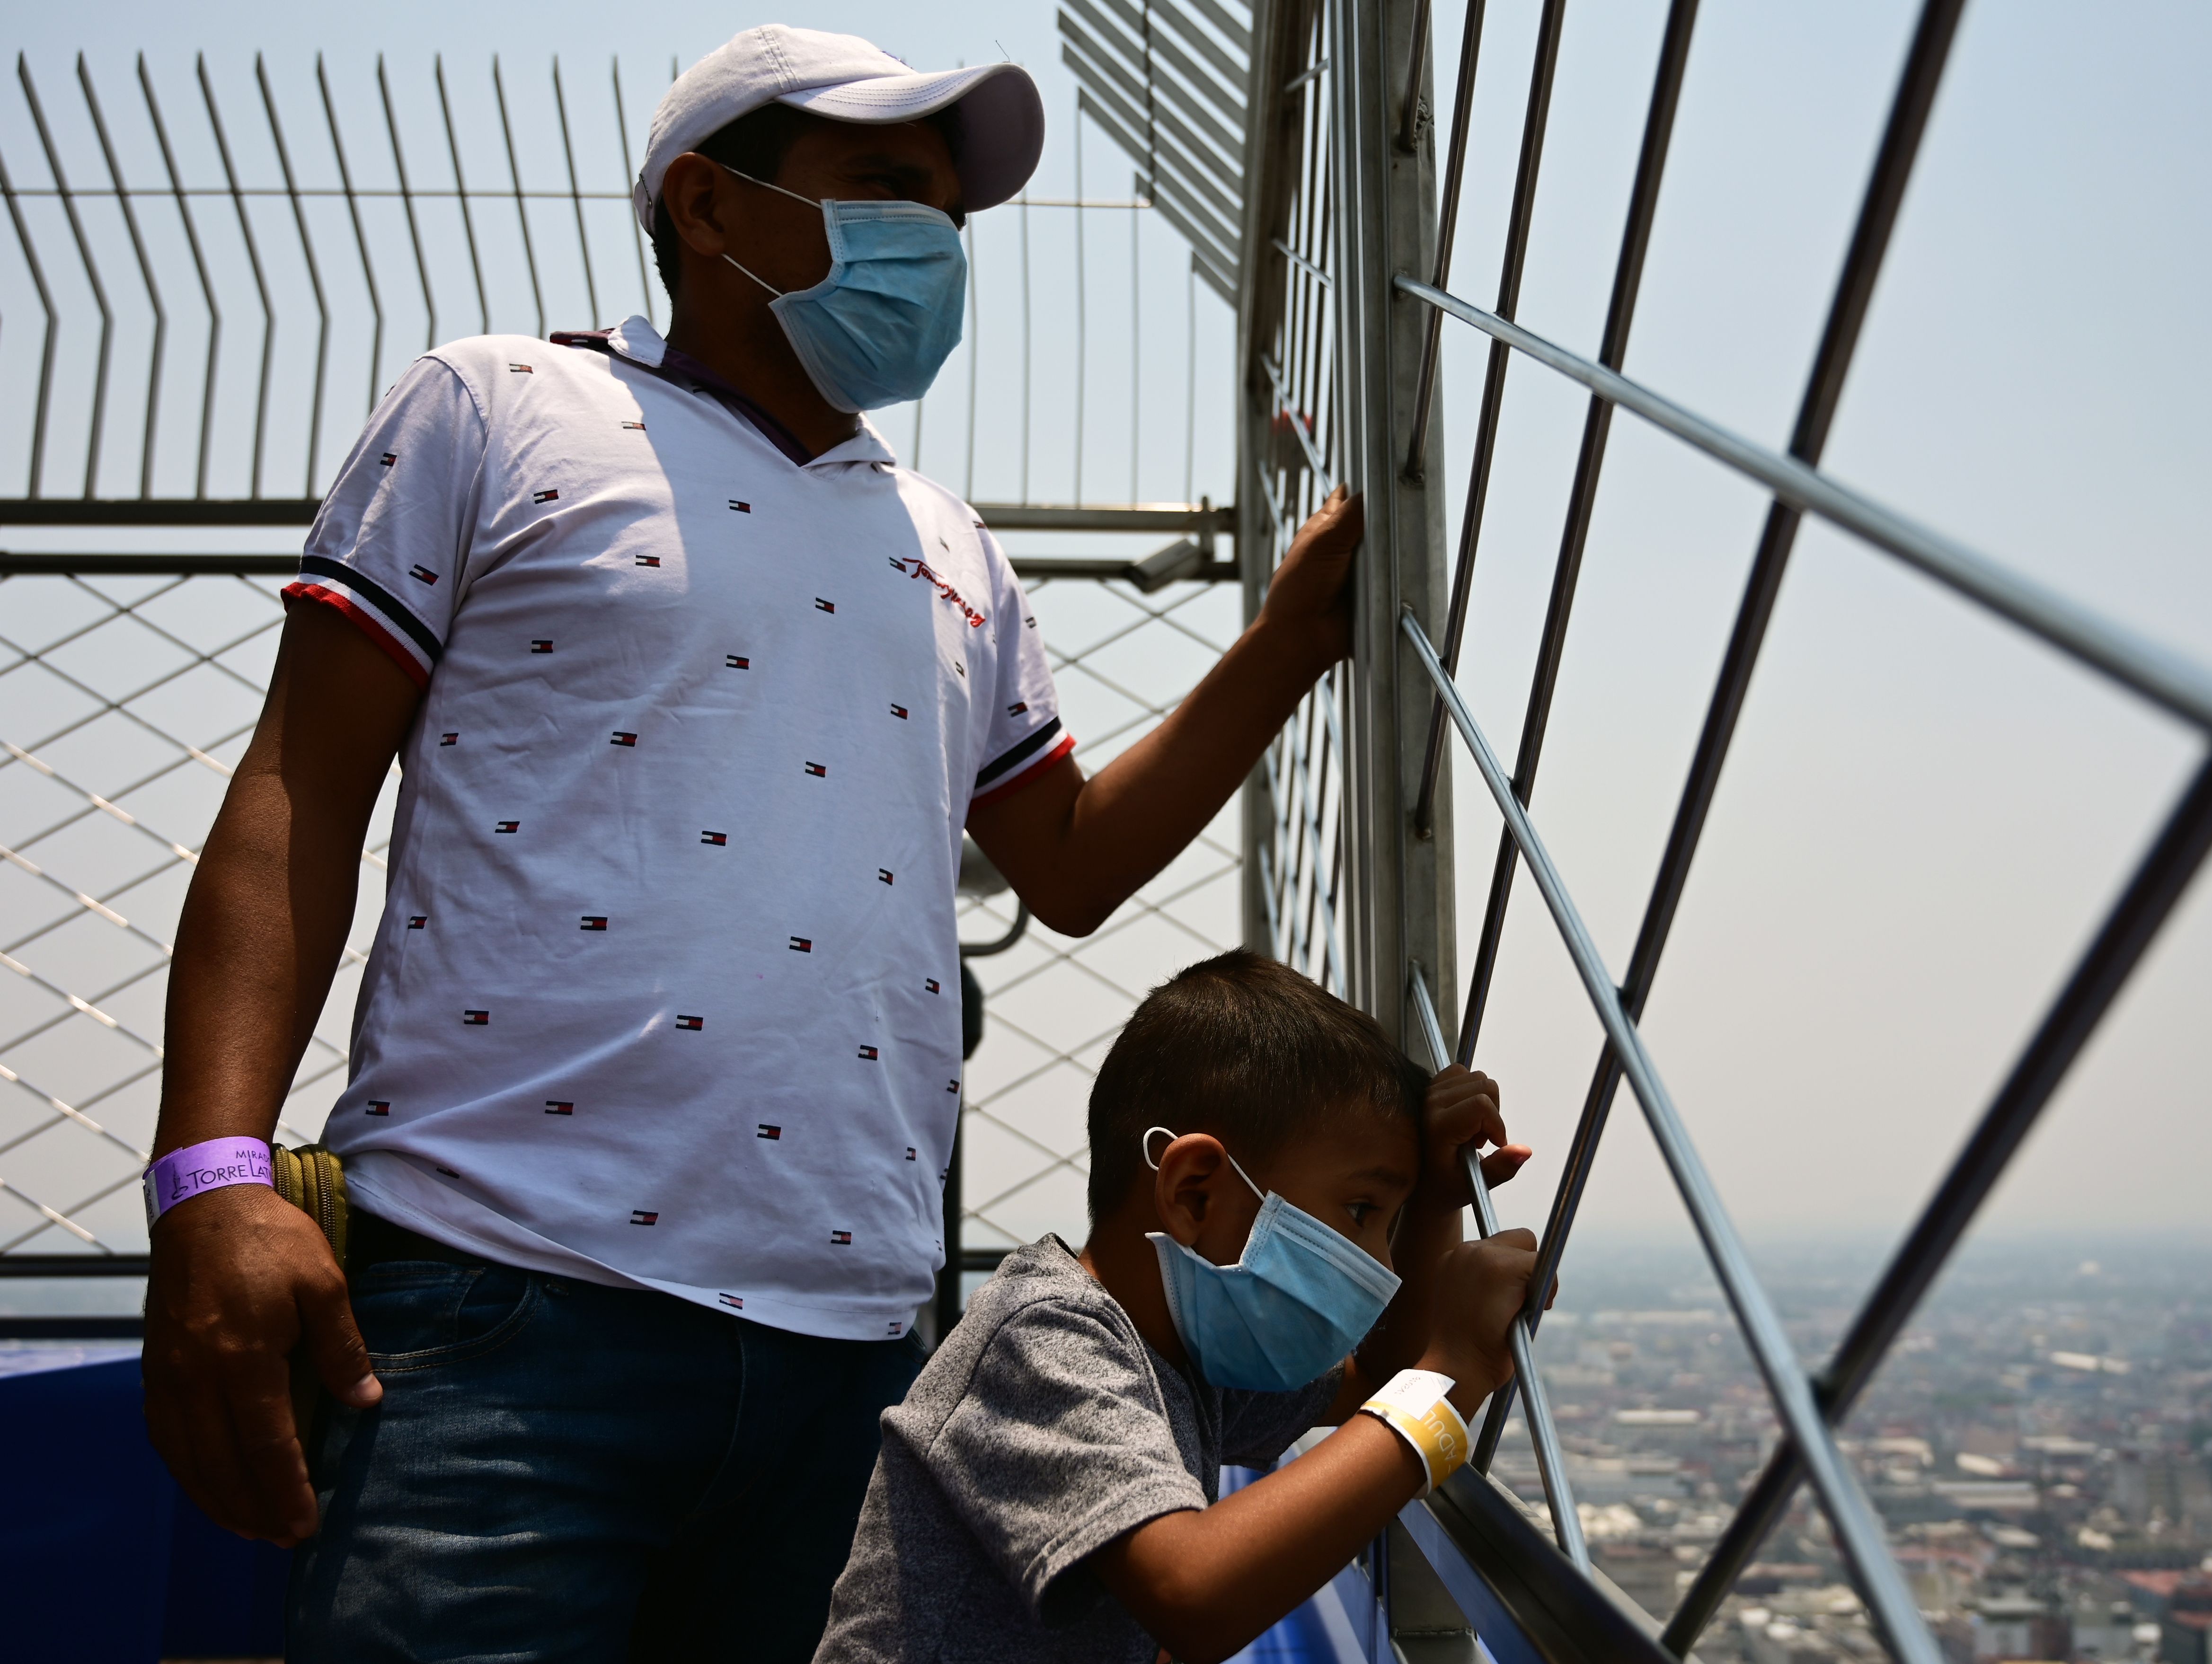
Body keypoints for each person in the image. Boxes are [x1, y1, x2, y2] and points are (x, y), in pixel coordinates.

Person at [137, 25, 1364, 1662]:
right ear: (708, 204)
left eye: (948, 211)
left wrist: (1285, 643)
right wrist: (210, 1173)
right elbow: (298, 792)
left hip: (849, 1352)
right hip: (504, 1310)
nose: (934, 244)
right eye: (885, 188)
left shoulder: (948, 542)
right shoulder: (501, 405)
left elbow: (1061, 855)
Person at [815, 951, 1541, 1664]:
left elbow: (1379, 1378)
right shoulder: (1043, 1336)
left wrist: (1438, 1208)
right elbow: (1195, 1593)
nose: (1380, 1264)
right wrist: (1456, 1368)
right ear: (1195, 1192)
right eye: (1361, 1209)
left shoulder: (1182, 1356)